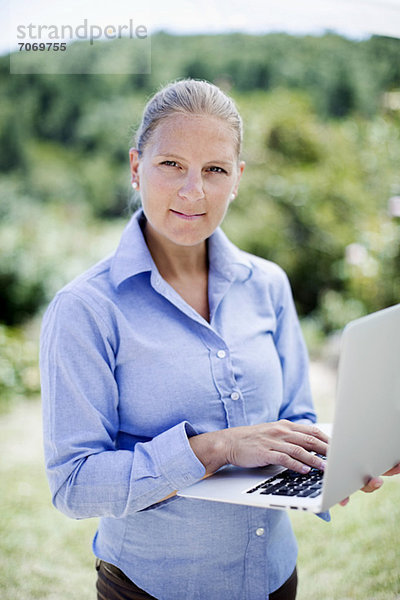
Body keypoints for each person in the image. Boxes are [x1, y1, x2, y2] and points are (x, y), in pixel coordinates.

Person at [40, 79, 398, 600]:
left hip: (274, 578)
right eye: (172, 165)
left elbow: (295, 418)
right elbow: (74, 485)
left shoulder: (268, 284)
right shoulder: (86, 310)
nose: (194, 191)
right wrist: (217, 447)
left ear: (237, 179)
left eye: (215, 170)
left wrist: (340, 463)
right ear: (137, 168)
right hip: (153, 589)